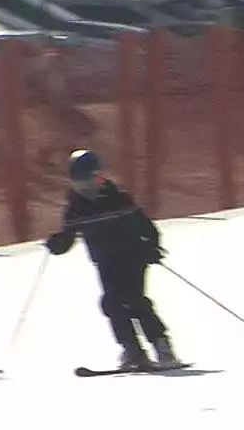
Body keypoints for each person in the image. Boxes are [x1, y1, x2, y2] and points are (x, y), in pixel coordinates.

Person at [44, 149, 181, 371]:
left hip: (132, 257)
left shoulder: (118, 199)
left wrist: (152, 247)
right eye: (81, 182)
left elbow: (147, 227)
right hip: (105, 262)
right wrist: (56, 244)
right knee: (112, 303)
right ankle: (132, 350)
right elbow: (68, 238)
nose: (87, 187)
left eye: (92, 180)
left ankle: (161, 345)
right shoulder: (76, 208)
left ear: (100, 176)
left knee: (134, 300)